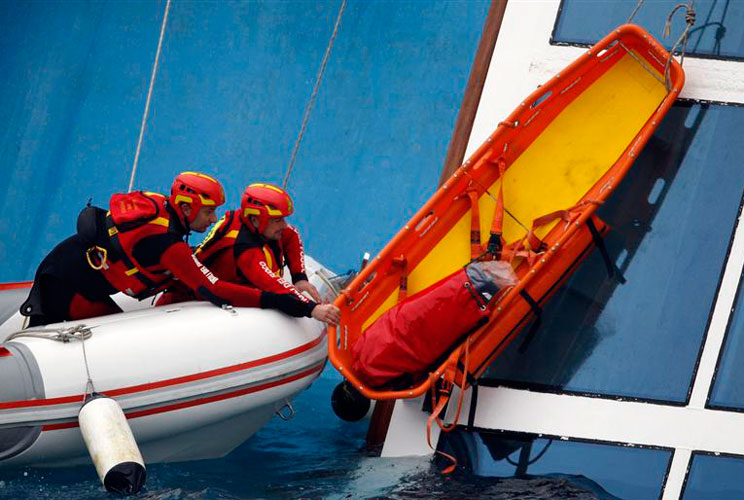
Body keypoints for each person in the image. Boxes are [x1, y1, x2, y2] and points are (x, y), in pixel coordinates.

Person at [21, 172, 334, 326]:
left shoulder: (159, 208)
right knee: (113, 342)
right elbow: (218, 290)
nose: (214, 219)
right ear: (186, 208)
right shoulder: (169, 246)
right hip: (66, 288)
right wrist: (303, 308)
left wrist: (297, 276)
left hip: (68, 269)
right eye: (208, 212)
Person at [185, 183, 340, 324]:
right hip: (194, 296)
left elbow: (291, 235)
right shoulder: (244, 250)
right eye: (278, 220)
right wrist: (313, 309)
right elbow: (275, 287)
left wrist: (299, 278)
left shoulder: (256, 225)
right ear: (255, 220)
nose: (284, 225)